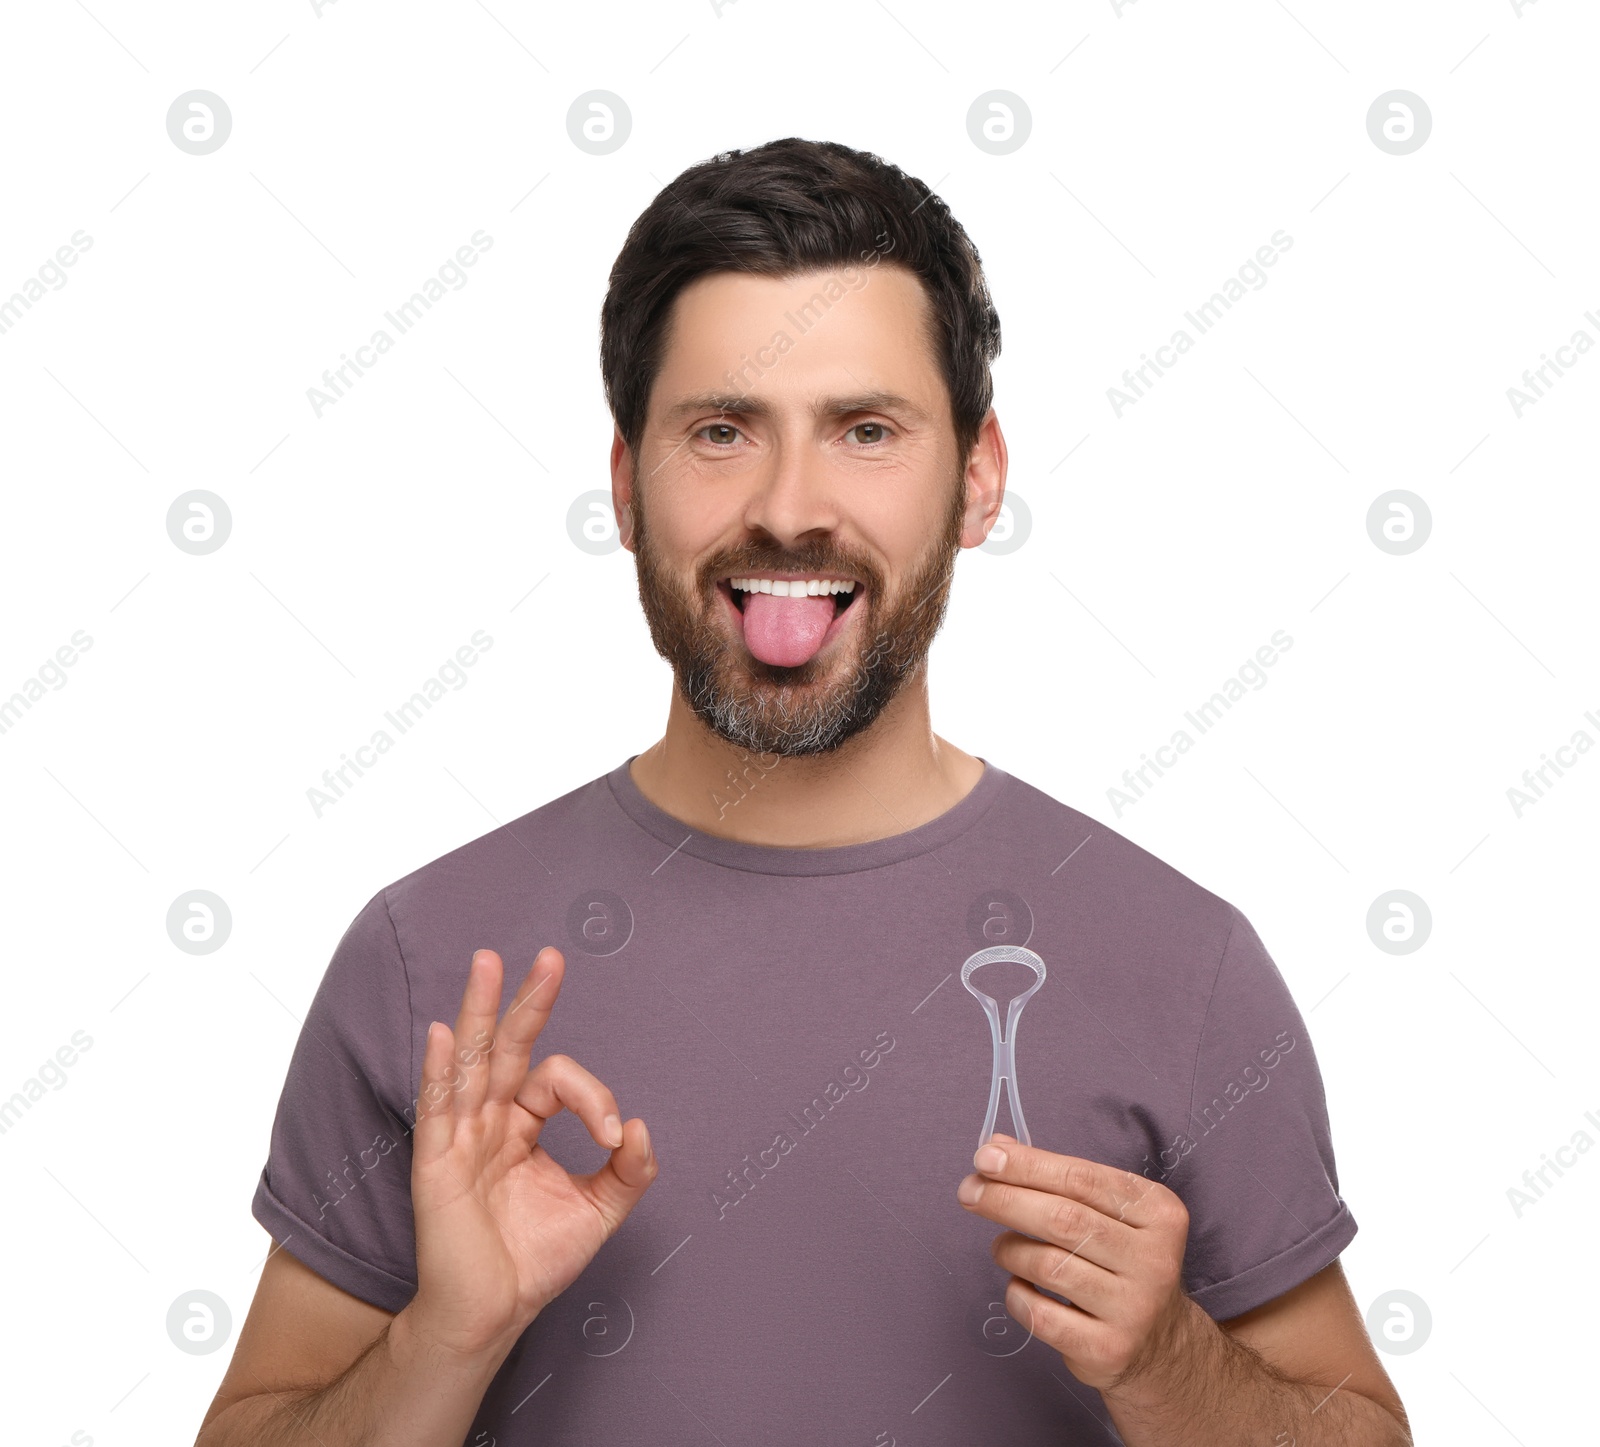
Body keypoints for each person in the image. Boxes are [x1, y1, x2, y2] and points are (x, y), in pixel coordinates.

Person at [196, 138, 1410, 1446]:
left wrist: (1172, 1360)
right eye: (721, 431)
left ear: (978, 476)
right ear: (625, 482)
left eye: (866, 430)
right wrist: (446, 1340)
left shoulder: (1183, 963)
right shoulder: (434, 966)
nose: (790, 507)